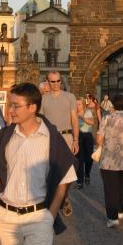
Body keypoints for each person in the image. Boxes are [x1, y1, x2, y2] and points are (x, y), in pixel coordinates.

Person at [0, 83, 77, 245]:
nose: (10, 110)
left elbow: (65, 178)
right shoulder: (2, 138)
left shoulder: (51, 138)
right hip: (7, 217)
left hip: (38, 217)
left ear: (32, 107)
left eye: (16, 106)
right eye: (10, 105)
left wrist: (50, 215)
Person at [39, 71, 79, 216]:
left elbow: (74, 119)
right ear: (47, 82)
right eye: (52, 82)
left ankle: (64, 196)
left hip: (67, 137)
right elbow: (40, 121)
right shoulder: (43, 99)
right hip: (49, 139)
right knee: (51, 171)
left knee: (69, 171)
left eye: (58, 81)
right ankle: (59, 199)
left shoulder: (70, 97)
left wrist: (76, 140)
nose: (56, 84)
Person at [96, 94, 123, 228]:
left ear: (112, 105)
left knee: (110, 188)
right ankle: (120, 210)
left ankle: (112, 218)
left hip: (108, 159)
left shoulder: (106, 119)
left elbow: (99, 140)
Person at [75, 95, 100, 189]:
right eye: (76, 104)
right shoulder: (73, 113)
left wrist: (81, 117)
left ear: (82, 105)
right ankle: (79, 181)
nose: (77, 106)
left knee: (89, 159)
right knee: (79, 159)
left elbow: (91, 122)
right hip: (78, 137)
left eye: (79, 104)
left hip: (87, 136)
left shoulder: (87, 112)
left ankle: (87, 174)